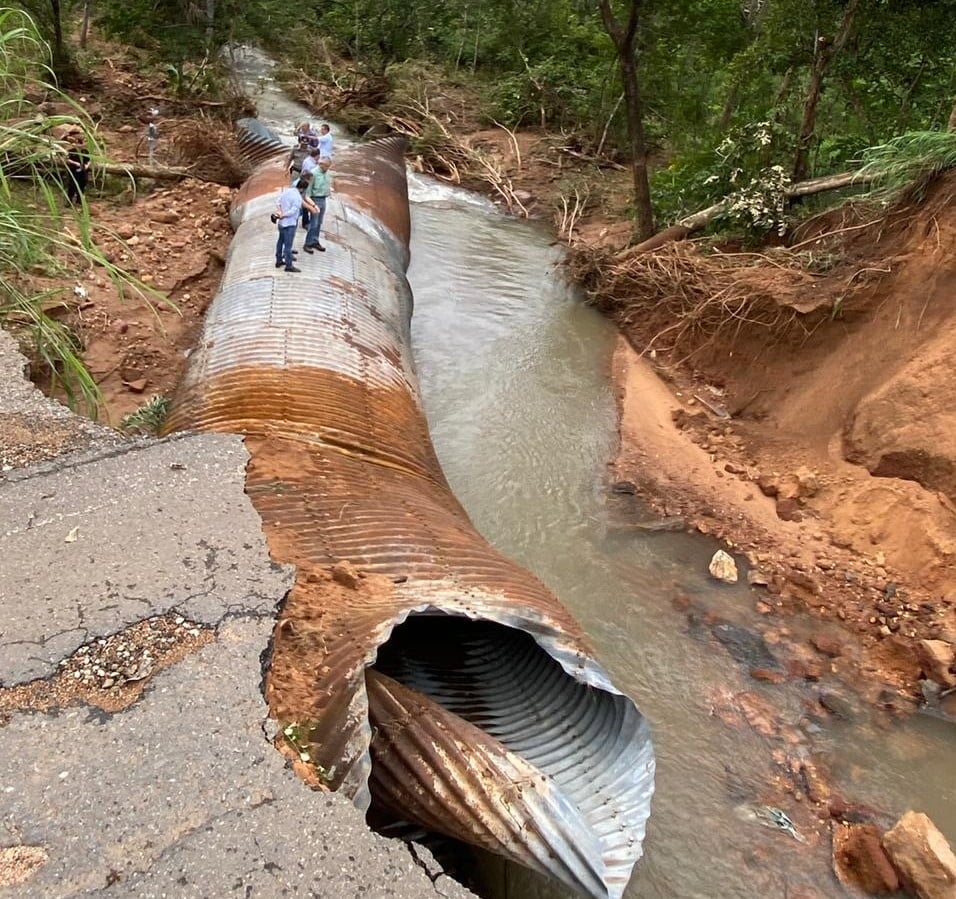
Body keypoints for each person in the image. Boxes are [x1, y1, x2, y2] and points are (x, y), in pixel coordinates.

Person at [274, 177, 317, 272]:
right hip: (290, 224)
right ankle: (289, 265)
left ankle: (278, 260)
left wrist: (280, 212)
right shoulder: (297, 197)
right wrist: (284, 215)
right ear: (303, 189)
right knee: (288, 246)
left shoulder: (287, 192)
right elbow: (293, 211)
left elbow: (278, 201)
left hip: (281, 224)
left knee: (280, 242)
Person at [303, 158, 332, 253]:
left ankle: (315, 241)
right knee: (313, 223)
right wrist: (312, 204)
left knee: (319, 223)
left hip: (323, 199)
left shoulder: (328, 173)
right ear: (321, 164)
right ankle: (307, 243)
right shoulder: (314, 173)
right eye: (326, 166)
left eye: (329, 166)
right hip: (315, 199)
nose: (328, 168)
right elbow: (308, 191)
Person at [299, 148, 321, 229]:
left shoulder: (308, 160)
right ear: (317, 155)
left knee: (306, 202)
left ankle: (306, 220)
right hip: (308, 185)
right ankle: (306, 222)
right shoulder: (310, 164)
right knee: (306, 204)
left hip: (306, 184)